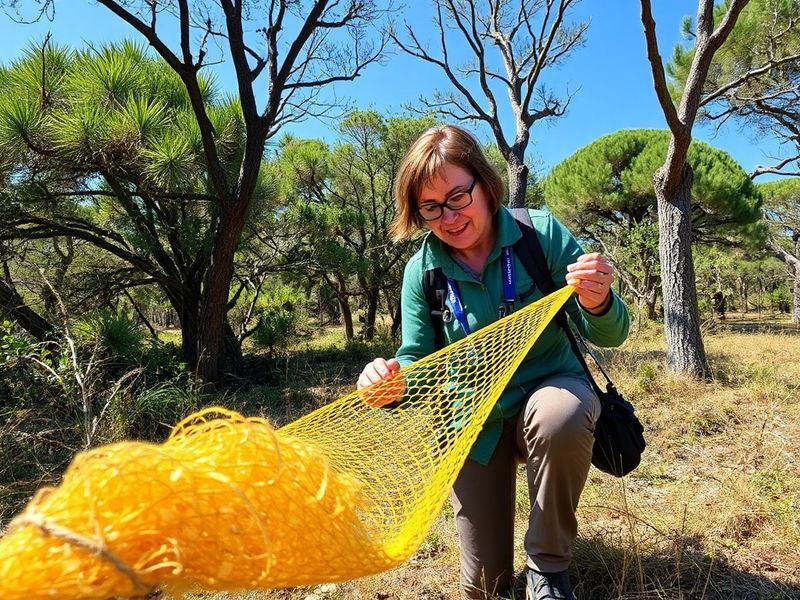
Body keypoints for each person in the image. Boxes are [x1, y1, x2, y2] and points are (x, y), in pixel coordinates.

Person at [357, 125, 630, 600]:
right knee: (484, 586)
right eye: (431, 207)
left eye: (458, 196)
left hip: (548, 398)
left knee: (559, 416)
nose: (449, 216)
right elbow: (417, 363)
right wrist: (388, 382)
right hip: (472, 425)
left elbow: (611, 333)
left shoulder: (537, 234)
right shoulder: (421, 271)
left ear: (484, 183)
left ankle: (548, 567)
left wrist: (599, 300)